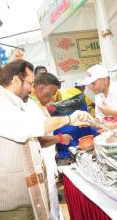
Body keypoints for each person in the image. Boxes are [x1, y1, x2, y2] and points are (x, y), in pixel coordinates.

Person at [0, 60, 91, 219]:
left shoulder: (15, 103)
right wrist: (69, 118)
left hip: (28, 191)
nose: (31, 88)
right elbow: (32, 127)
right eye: (30, 83)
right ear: (15, 80)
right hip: (12, 199)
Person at [26, 72, 72, 219]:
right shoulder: (30, 106)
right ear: (39, 87)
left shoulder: (39, 104)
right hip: (41, 163)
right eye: (50, 93)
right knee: (49, 201)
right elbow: (39, 139)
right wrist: (60, 138)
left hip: (48, 160)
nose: (52, 98)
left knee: (53, 201)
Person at [81, 64, 117, 128]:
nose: (90, 87)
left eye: (93, 83)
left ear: (105, 80)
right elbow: (100, 118)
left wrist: (116, 125)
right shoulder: (98, 95)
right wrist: (91, 121)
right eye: (88, 84)